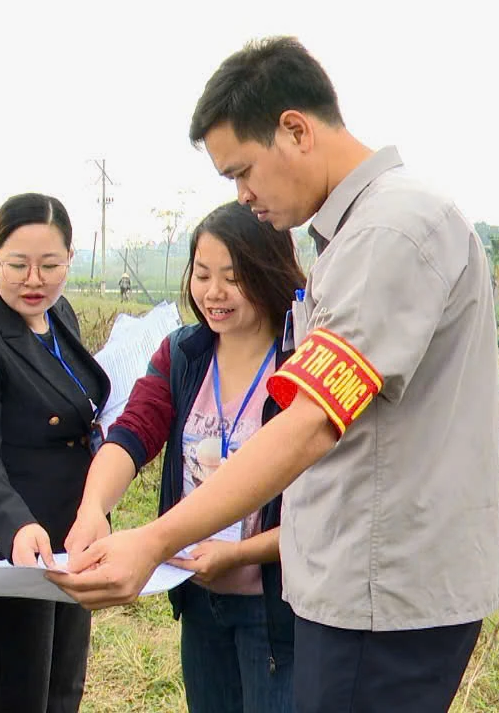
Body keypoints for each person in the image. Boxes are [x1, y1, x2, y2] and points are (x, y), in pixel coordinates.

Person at [50, 36, 499, 713]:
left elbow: (311, 424)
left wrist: (153, 539)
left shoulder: (392, 230)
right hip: (353, 586)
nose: (244, 196)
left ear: (295, 129)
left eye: (243, 171)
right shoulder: (355, 235)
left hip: (382, 597)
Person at [64, 201, 303, 712]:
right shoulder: (184, 354)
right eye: (201, 274)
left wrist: (237, 554)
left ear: (268, 274)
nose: (213, 293)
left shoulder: (299, 362)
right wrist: (93, 508)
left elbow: (326, 508)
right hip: (198, 596)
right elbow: (132, 432)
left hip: (278, 608)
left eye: (233, 277)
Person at [0, 192, 109, 713]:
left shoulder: (60, 315)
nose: (35, 280)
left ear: (70, 260)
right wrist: (13, 525)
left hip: (69, 536)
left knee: (61, 687)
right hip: (5, 542)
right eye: (18, 265)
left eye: (51, 265)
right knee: (14, 693)